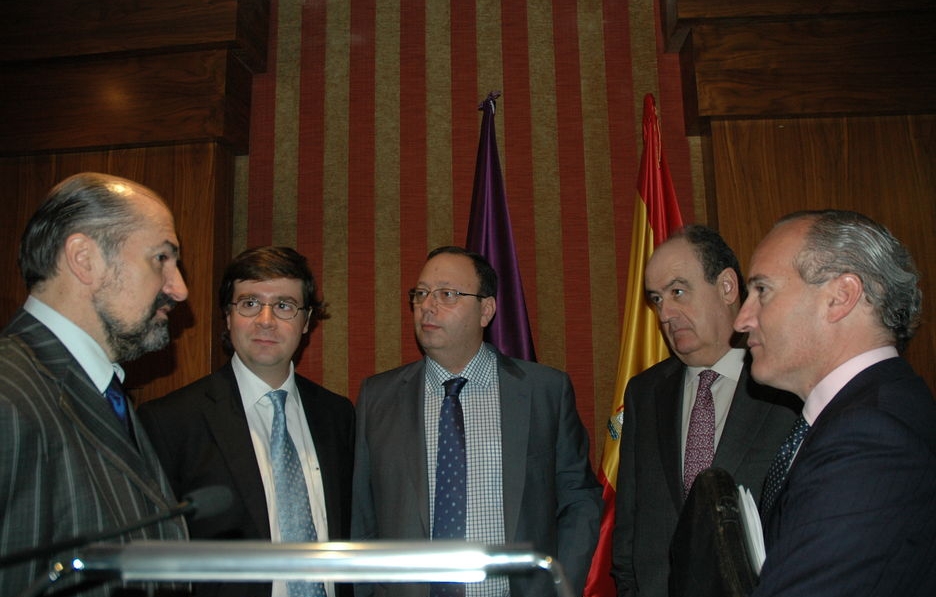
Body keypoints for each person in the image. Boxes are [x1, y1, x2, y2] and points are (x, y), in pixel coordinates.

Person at [351, 245, 602, 597]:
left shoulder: (544, 391)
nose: (427, 306)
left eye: (447, 294)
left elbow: (579, 499)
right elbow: (361, 514)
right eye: (420, 294)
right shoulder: (378, 397)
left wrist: (561, 585)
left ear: (486, 310)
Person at [0, 172, 190, 596]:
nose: (179, 289)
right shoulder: (8, 394)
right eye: (160, 258)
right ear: (84, 259)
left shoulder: (107, 393)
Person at [734, 210, 936, 596]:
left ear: (840, 297)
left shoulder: (873, 438)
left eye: (762, 290)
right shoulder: (863, 414)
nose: (742, 320)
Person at [138, 246, 355, 597]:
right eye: (250, 303)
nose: (266, 320)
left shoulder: (337, 415)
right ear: (227, 316)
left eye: (284, 305)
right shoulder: (170, 421)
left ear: (306, 322)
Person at [610, 225, 800, 597]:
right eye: (657, 299)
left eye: (678, 292)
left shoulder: (787, 387)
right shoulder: (644, 393)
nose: (665, 313)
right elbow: (629, 532)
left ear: (727, 287)